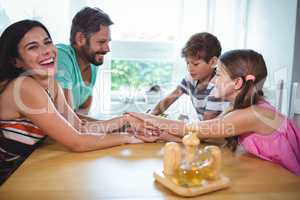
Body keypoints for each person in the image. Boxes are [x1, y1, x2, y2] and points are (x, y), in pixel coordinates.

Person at [126, 49, 300, 176]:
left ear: (237, 83)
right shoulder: (239, 109)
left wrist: (142, 115)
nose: (213, 81)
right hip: (269, 176)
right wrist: (160, 134)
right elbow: (209, 136)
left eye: (219, 75)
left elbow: (193, 129)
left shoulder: (253, 114)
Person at [0, 20, 142, 157]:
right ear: (15, 61)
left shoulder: (52, 85)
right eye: (33, 47)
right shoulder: (24, 87)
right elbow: (77, 142)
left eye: (47, 42)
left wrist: (126, 120)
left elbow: (79, 127)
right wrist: (127, 137)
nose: (47, 51)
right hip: (9, 176)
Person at [151, 32, 229, 120]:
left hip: (217, 130)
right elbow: (168, 100)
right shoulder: (191, 79)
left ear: (213, 62)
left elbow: (207, 124)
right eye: (187, 63)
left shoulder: (217, 87)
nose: (190, 68)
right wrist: (150, 116)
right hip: (204, 128)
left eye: (195, 64)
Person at [55, 7, 112, 117]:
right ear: (81, 38)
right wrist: (118, 123)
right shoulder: (61, 56)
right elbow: (67, 117)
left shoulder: (92, 63)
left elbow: (84, 110)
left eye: (108, 42)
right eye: (101, 42)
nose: (107, 49)